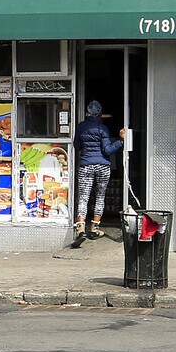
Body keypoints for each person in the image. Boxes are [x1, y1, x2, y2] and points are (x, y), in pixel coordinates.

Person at [71, 101, 126, 245]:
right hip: (102, 166)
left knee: (83, 197)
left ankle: (80, 229)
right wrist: (121, 141)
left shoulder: (81, 127)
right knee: (100, 196)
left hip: (86, 165)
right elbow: (108, 150)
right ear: (100, 113)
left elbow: (77, 146)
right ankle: (95, 228)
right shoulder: (103, 129)